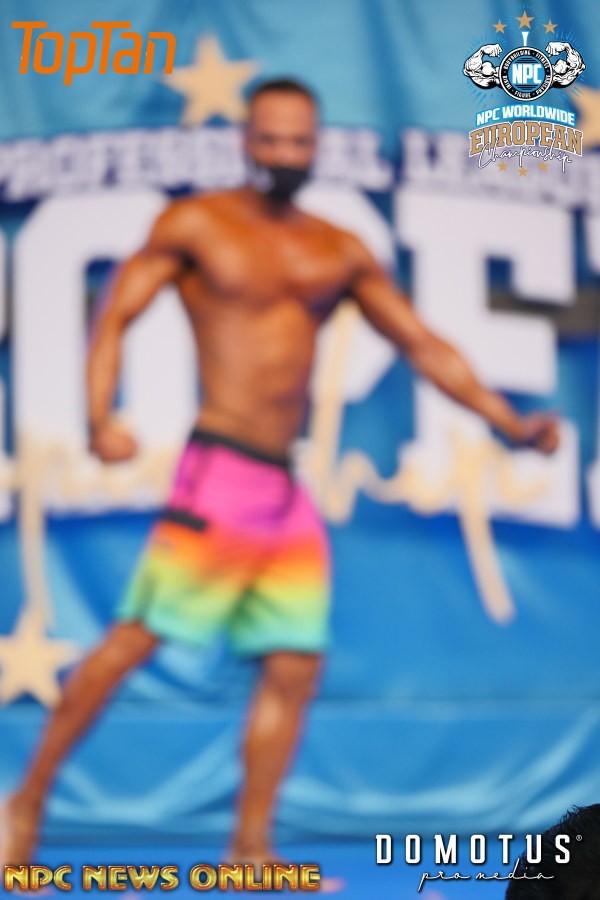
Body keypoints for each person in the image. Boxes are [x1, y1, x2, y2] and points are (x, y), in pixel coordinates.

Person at [0, 77, 559, 869]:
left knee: (295, 665)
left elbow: (422, 344)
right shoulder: (198, 224)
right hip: (218, 472)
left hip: (283, 489)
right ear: (246, 139)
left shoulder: (336, 248)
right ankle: (23, 806)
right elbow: (115, 314)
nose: (286, 154)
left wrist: (509, 423)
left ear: (317, 146)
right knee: (134, 642)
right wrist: (99, 421)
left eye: (300, 141)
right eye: (272, 139)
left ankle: (249, 849)